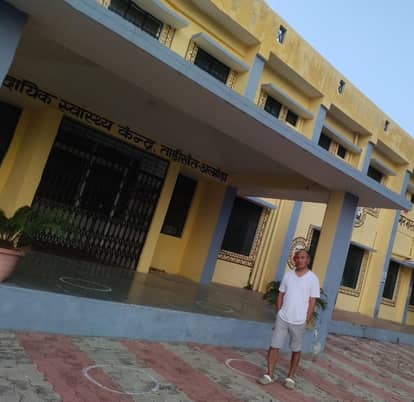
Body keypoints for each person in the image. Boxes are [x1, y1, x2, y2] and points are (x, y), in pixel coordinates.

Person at [257, 249, 320, 389]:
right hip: (283, 318)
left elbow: (312, 301)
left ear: (308, 260)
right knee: (274, 346)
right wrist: (279, 312)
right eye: (298, 257)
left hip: (299, 321)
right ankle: (269, 374)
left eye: (303, 257)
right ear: (294, 260)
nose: (300, 260)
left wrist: (306, 319)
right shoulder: (288, 275)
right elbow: (281, 294)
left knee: (296, 349)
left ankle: (290, 378)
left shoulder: (313, 279)